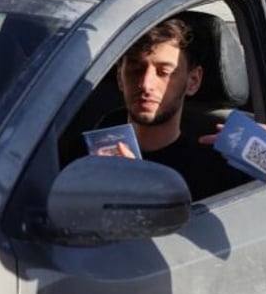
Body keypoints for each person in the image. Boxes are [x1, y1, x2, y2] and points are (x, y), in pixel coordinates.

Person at [96, 17, 248, 201]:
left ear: (193, 81)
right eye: (136, 69)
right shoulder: (93, 142)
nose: (145, 84)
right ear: (120, 77)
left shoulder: (213, 171)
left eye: (164, 73)